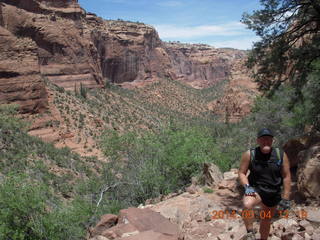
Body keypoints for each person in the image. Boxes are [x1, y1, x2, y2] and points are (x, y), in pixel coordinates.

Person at [238, 128, 291, 240]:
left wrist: (286, 197)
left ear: (273, 141)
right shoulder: (250, 154)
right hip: (256, 189)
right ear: (258, 141)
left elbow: (286, 176)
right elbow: (242, 173)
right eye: (263, 139)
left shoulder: (280, 155)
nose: (266, 141)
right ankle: (250, 233)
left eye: (268, 139)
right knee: (247, 204)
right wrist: (247, 187)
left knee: (266, 219)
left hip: (273, 191)